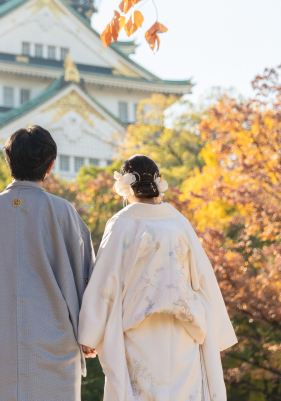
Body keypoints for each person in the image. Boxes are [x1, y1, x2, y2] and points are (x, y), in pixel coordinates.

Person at [0, 125, 95, 401]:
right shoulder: (64, 212)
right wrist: (90, 335)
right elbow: (88, 279)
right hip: (57, 348)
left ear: (8, 162)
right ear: (50, 166)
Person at [78, 155, 237, 401]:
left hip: (139, 333)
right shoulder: (178, 222)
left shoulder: (122, 223)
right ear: (157, 182)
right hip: (185, 332)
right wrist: (217, 331)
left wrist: (90, 332)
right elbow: (203, 277)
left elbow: (105, 281)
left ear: (126, 186)